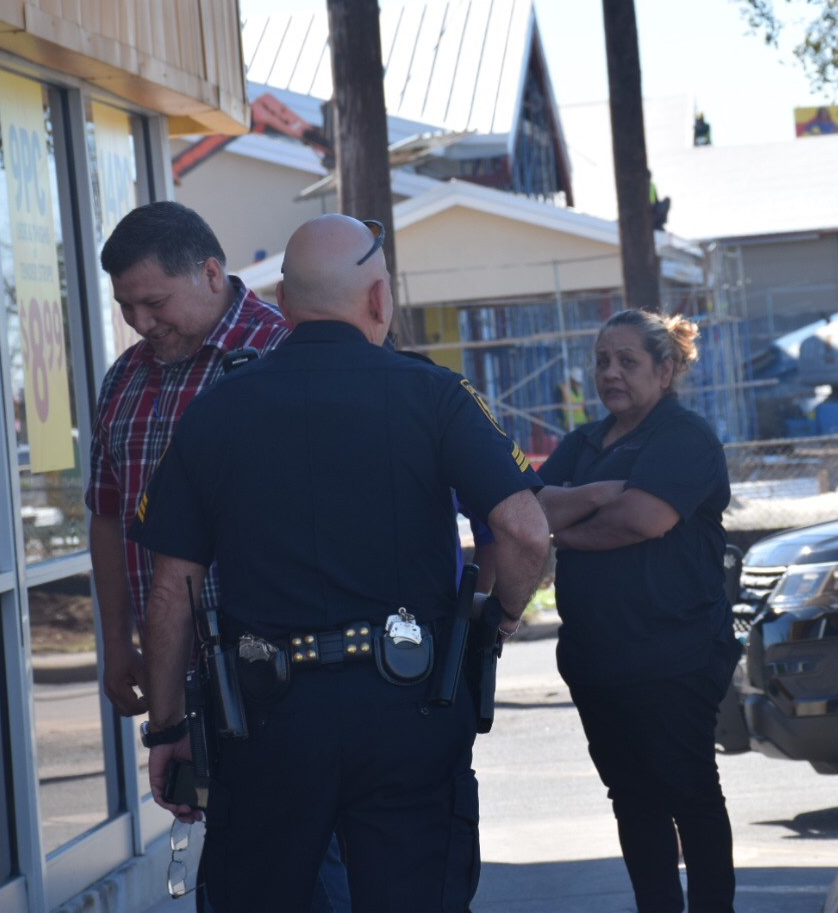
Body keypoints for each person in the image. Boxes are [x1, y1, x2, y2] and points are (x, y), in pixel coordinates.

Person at [133, 215, 550, 911]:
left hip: (267, 725)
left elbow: (171, 594)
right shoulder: (434, 395)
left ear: (286, 308)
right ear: (379, 299)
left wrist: (169, 728)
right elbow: (526, 532)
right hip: (409, 710)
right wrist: (499, 614)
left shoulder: (217, 411)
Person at [85, 201, 353, 910]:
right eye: (126, 307)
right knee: (235, 875)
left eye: (153, 301)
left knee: (310, 873)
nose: (141, 322)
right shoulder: (124, 380)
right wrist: (119, 644)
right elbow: (108, 518)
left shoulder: (286, 352)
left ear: (209, 273)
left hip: (286, 672)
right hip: (185, 681)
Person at [537, 309, 738, 913]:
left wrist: (565, 527)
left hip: (675, 654)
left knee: (688, 791)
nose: (610, 373)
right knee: (631, 796)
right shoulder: (585, 443)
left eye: (627, 360)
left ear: (667, 369)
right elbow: (529, 510)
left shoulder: (683, 437)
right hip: (598, 658)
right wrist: (598, 492)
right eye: (602, 360)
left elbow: (643, 520)